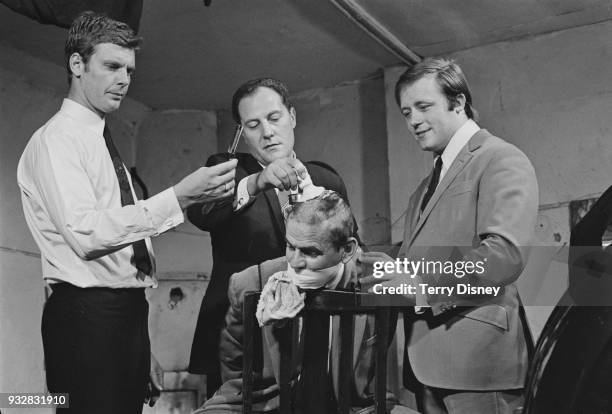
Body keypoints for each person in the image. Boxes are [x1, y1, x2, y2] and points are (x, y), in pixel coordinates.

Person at [17, 11, 237, 414]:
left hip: (123, 316)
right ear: (77, 65)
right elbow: (86, 236)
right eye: (112, 66)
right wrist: (180, 197)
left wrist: (144, 342)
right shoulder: (57, 141)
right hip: (86, 318)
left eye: (130, 70)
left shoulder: (101, 140)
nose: (124, 80)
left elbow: (122, 259)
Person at [362, 58, 539, 413]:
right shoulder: (423, 189)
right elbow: (413, 261)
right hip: (425, 366)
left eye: (423, 106)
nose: (413, 120)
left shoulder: (500, 158)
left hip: (479, 367)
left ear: (457, 102)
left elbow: (502, 255)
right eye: (406, 111)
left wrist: (423, 287)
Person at [187, 78, 355, 395]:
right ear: (242, 132)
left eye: (274, 118)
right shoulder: (227, 171)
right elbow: (201, 213)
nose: (267, 132)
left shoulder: (325, 177)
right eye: (253, 124)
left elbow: (350, 253)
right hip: (242, 341)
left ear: (292, 116)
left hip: (314, 337)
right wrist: (256, 182)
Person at [195, 191, 394, 413]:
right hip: (263, 403)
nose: (295, 261)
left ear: (346, 249)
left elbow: (434, 288)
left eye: (310, 252)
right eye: (290, 246)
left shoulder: (377, 281)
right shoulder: (251, 282)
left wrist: (416, 289)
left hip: (352, 406)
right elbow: (232, 360)